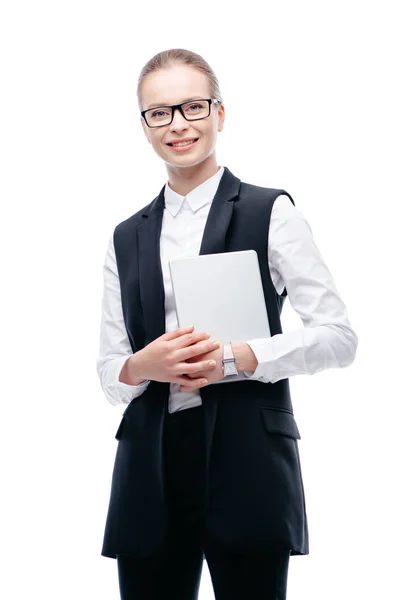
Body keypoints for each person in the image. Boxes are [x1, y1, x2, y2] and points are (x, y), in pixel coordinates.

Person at [96, 48, 358, 600]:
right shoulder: (126, 236)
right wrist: (142, 365)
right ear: (144, 127)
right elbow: (109, 370)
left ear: (220, 113)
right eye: (160, 112)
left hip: (247, 460)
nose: (178, 124)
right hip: (150, 466)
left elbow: (338, 338)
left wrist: (237, 359)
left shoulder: (270, 211)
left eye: (192, 106)